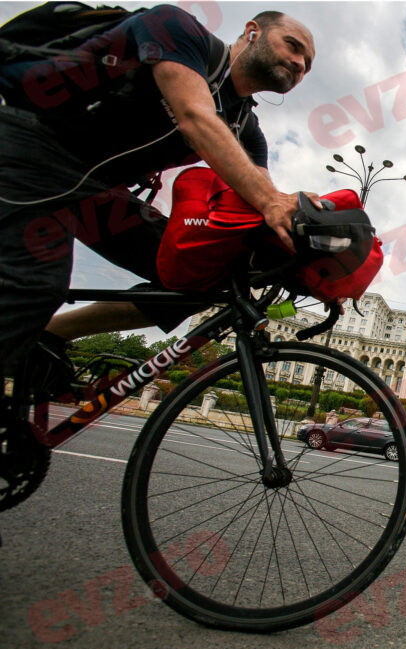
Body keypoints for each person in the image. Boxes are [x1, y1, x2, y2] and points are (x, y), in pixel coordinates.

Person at [0, 5, 317, 395]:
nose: (300, 63)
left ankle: (49, 336)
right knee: (32, 286)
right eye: (294, 46)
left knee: (198, 278)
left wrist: (309, 247)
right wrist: (272, 201)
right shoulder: (177, 28)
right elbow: (194, 115)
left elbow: (266, 201)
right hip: (31, 145)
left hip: (98, 190)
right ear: (252, 31)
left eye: (308, 64)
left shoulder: (246, 128)